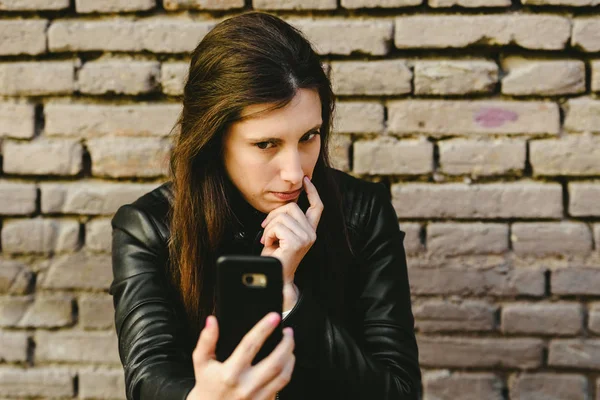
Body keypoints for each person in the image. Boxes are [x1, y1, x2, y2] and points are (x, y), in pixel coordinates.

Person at [109, 11, 421, 400]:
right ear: (213, 138)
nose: (293, 172)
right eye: (266, 144)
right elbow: (147, 376)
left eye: (309, 136)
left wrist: (287, 296)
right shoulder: (150, 228)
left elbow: (399, 392)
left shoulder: (362, 214)